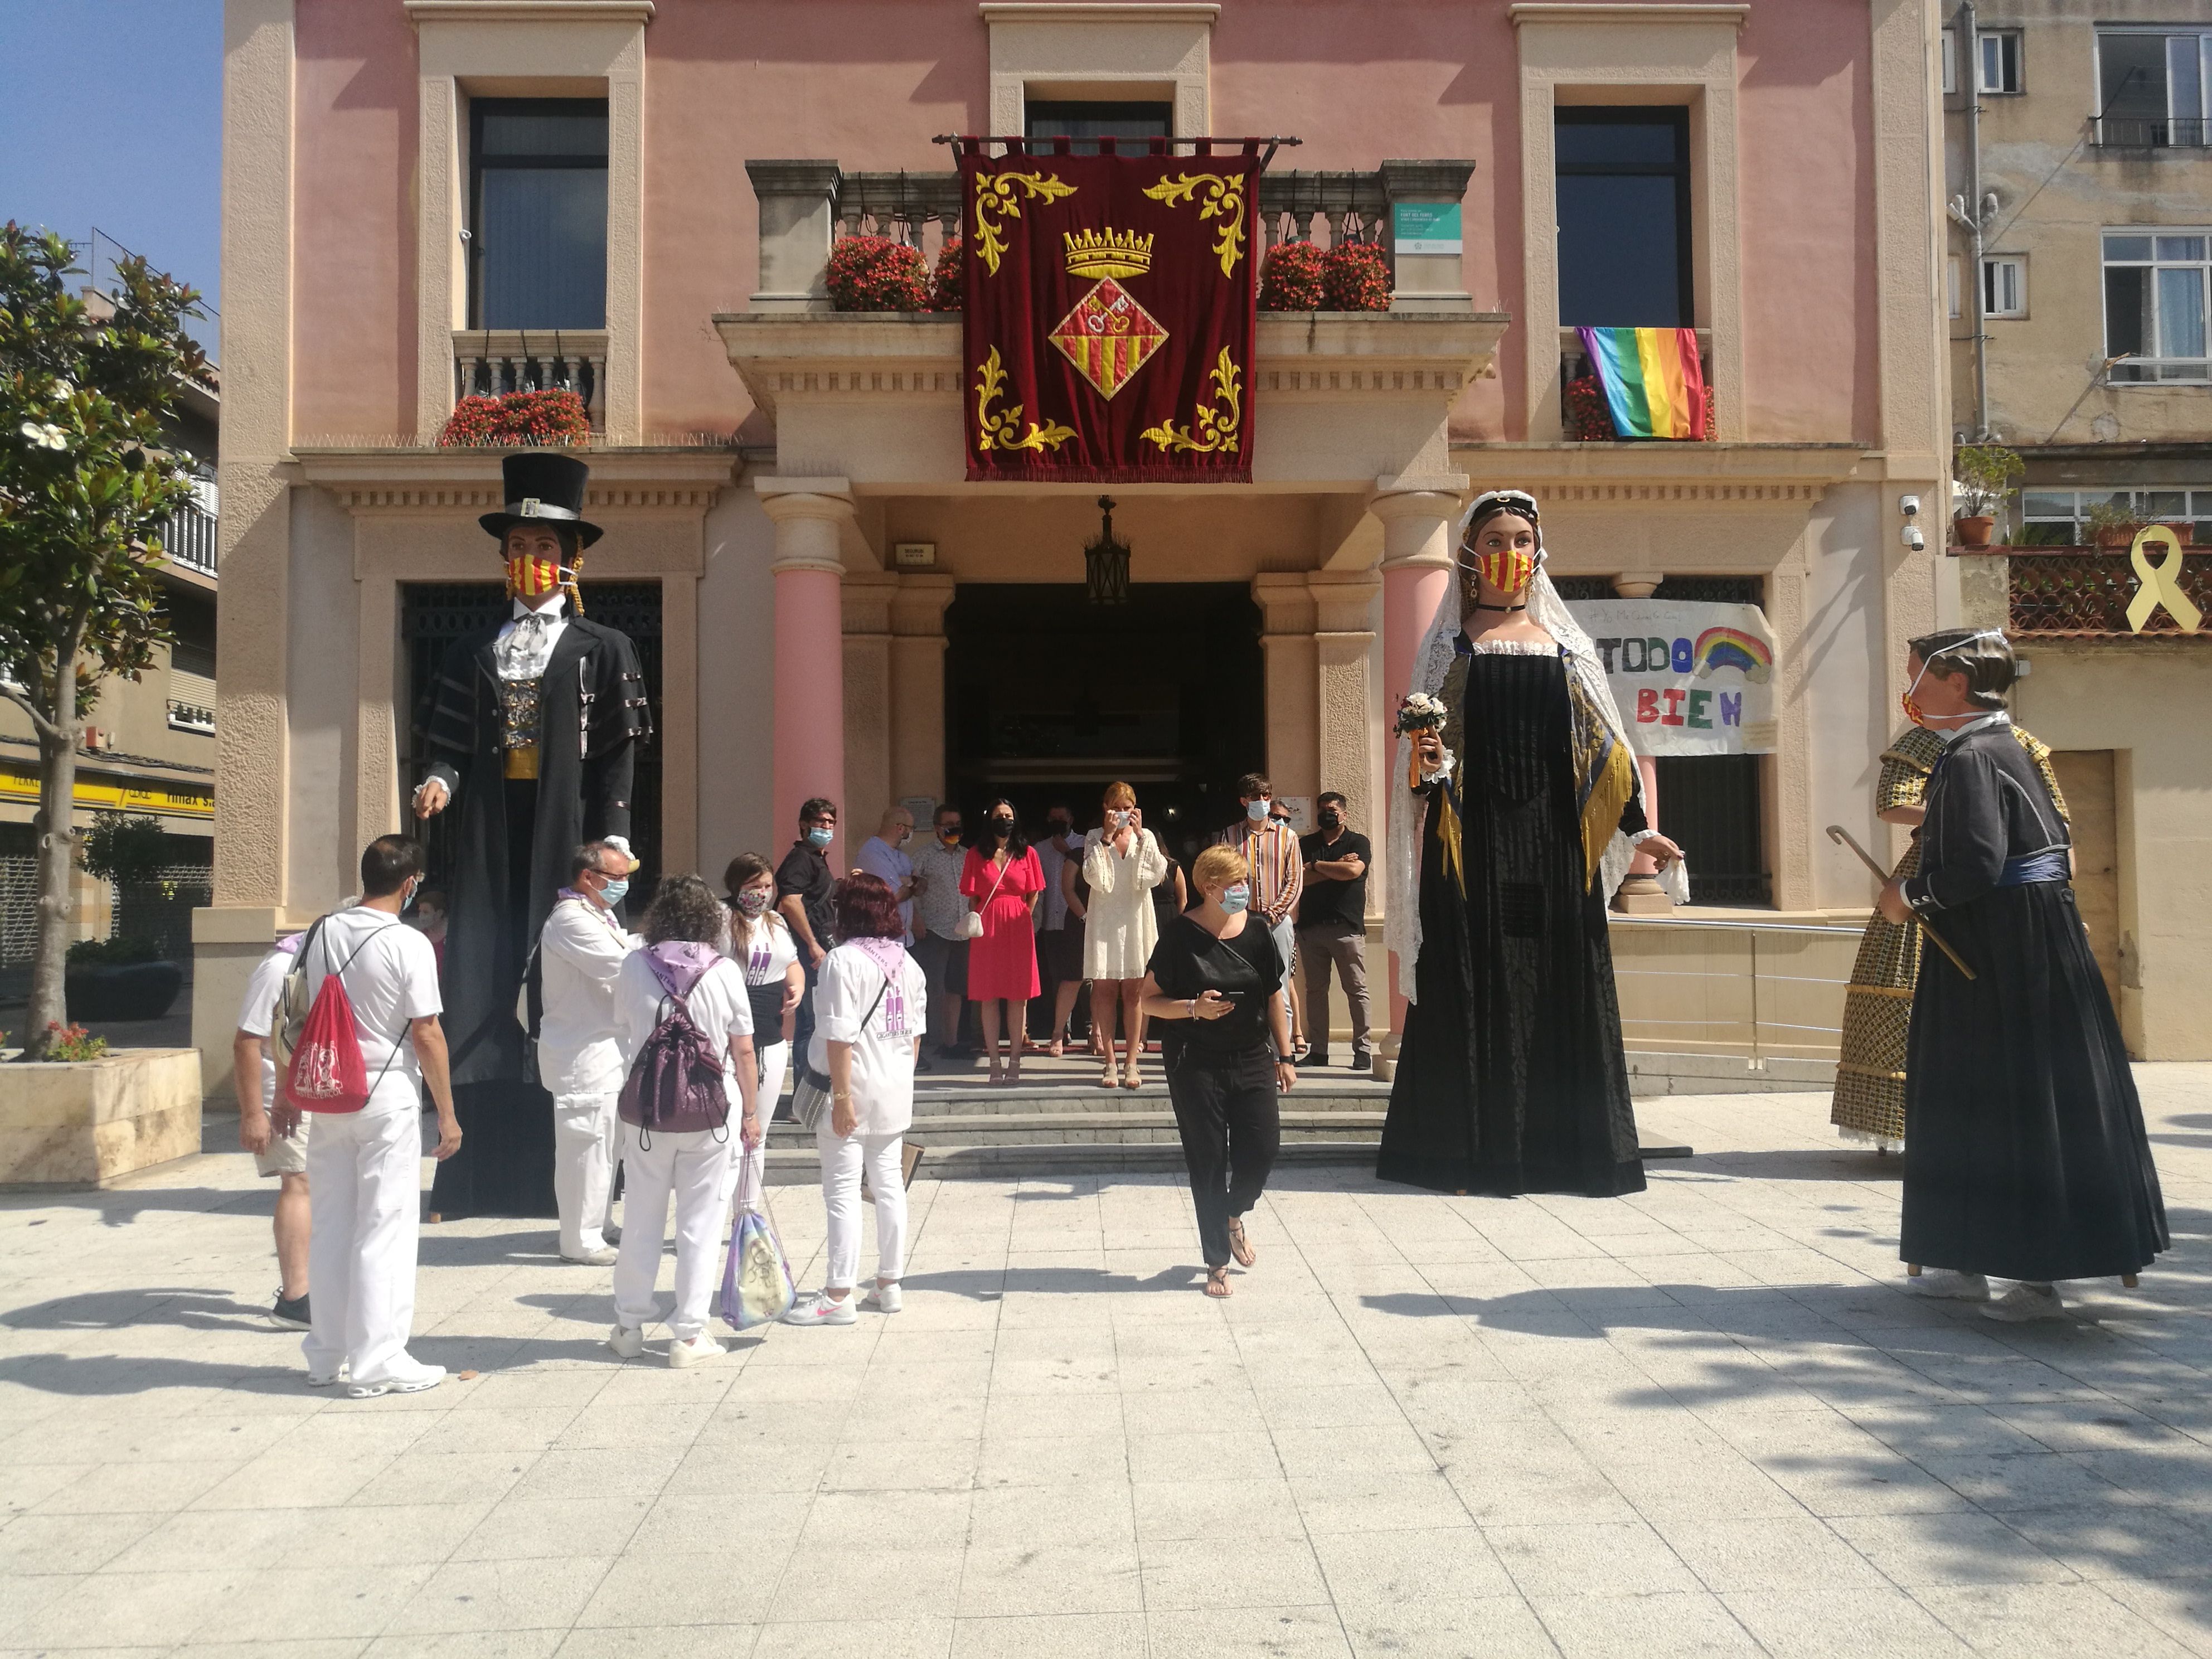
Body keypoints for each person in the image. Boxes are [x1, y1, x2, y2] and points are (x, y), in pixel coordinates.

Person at [1379, 489, 1685, 1199]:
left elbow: (1605, 751)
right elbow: (1426, 764)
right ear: (1468, 555)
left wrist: (1641, 827)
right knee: (1469, 977)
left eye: (1520, 539)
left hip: (1554, 850)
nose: (1508, 552)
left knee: (1556, 983)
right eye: (1494, 540)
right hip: (1470, 846)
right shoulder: (1450, 651)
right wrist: (1427, 769)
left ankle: (1565, 1153)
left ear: (1537, 551)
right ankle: (1462, 1154)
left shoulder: (1568, 649)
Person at [1876, 629, 2167, 1321]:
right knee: (1972, 1098)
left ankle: (2035, 1279)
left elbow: (1977, 864)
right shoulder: (2003, 747)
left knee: (2014, 1100)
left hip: (2003, 953)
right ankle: (1962, 1259)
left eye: (1917, 676)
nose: (1910, 689)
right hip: (2016, 941)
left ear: (1954, 682)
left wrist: (1904, 898)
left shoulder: (1974, 755)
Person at [411, 452, 652, 1223]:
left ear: (571, 560)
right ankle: (473, 1171)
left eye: (546, 549)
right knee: (480, 971)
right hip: (487, 831)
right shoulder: (470, 650)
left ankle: (577, 1178)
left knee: (565, 979)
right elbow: (445, 739)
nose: (532, 561)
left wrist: (609, 842)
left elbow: (619, 754)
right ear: (504, 558)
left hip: (564, 832)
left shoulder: (604, 648)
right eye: (520, 547)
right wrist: (442, 779)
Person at [1829, 719, 2070, 1151]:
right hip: (1934, 866)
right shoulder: (1923, 740)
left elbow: (2058, 815)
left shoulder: (2020, 742)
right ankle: (1913, 1127)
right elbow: (1891, 804)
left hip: (2012, 879)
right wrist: (1969, 816)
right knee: (1911, 996)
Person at [298, 836, 463, 1396]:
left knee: (333, 1227)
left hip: (326, 1090)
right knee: (384, 1229)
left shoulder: (321, 930)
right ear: (410, 884)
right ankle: (379, 1360)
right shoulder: (407, 943)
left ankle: (325, 1354)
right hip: (385, 1096)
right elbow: (426, 1031)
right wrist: (447, 1112)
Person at [607, 875, 760, 1365]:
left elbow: (625, 1026)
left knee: (641, 1219)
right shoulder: (724, 971)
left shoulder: (633, 964)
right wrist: (752, 1115)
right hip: (711, 1113)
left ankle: (629, 1326)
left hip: (648, 1112)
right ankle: (689, 1335)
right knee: (700, 1224)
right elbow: (743, 1049)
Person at [1138, 844, 1297, 1298]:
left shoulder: (1259, 931)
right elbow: (1146, 999)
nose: (1244, 891)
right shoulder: (1179, 936)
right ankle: (1216, 1262)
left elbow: (1273, 997)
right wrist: (1193, 1008)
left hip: (1252, 1056)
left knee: (1263, 1151)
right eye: (1235, 884)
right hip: (1195, 1062)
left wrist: (1285, 1056)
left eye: (1245, 882)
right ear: (1209, 888)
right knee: (1208, 1161)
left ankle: (1233, 1217)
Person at [783, 873, 930, 1327]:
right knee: (888, 1186)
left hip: (850, 1088)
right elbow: (915, 1038)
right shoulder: (908, 964)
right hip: (893, 1087)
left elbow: (838, 1036)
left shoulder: (842, 962)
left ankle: (838, 1294)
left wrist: (843, 1098)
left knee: (843, 1192)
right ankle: (889, 1284)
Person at [536, 841, 638, 1265]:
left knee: (609, 1145)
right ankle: (579, 1239)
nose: (623, 885)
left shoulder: (599, 914)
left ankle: (599, 1221)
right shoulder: (570, 920)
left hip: (608, 1049)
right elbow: (621, 966)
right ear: (588, 878)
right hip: (583, 1052)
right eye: (616, 878)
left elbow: (626, 950)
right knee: (587, 1146)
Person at [232, 929, 311, 1328]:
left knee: (313, 1182)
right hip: (280, 1088)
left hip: (308, 1084)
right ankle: (296, 1298)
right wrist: (253, 1115)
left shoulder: (324, 961)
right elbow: (248, 1040)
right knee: (299, 1181)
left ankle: (311, 1286)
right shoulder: (280, 967)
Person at [721, 851, 803, 1210]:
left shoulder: (777, 922)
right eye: (755, 886)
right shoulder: (719, 917)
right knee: (727, 1133)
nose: (764, 893)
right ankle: (713, 1211)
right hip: (726, 1036)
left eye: (768, 885)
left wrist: (796, 986)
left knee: (758, 1132)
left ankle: (748, 1211)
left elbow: (793, 962)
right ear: (736, 886)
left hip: (769, 1036)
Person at [1082, 782, 1168, 1090]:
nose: (1121, 813)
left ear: (1135, 809)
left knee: (1134, 992)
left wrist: (1143, 836)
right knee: (1104, 990)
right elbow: (1093, 877)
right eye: (1116, 806)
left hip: (1135, 919)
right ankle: (1109, 1061)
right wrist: (1106, 838)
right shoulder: (1093, 837)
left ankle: (1132, 1060)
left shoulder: (1147, 838)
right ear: (1105, 807)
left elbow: (1155, 876)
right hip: (1105, 919)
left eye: (1127, 807)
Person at [961, 801, 1044, 1085]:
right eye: (999, 816)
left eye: (1009, 816)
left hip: (1018, 925)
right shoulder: (975, 854)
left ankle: (1016, 1061)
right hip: (988, 926)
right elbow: (972, 895)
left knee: (1017, 996)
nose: (1005, 820)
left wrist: (1024, 916)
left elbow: (1034, 892)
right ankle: (994, 1062)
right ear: (989, 821)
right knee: (989, 995)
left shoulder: (1028, 853)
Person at [1297, 791, 1374, 1071]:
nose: (1325, 815)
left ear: (1344, 814)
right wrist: (1335, 867)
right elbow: (1299, 879)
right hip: (1311, 929)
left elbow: (1353, 872)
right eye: (1321, 810)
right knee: (1316, 992)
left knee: (1356, 990)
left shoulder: (1358, 842)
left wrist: (1317, 866)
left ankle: (1362, 1051)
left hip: (1346, 929)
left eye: (1331, 810)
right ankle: (1318, 1051)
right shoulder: (1306, 843)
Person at [1212, 775, 1303, 1009]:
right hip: (1240, 921)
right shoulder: (1229, 836)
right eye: (1255, 797)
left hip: (1278, 922)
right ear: (1244, 801)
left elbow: (1294, 882)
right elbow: (1222, 878)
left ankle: (1281, 1045)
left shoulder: (1288, 837)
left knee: (1280, 989)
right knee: (1241, 983)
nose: (1262, 801)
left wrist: (1271, 915)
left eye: (1266, 796)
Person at [775, 797, 839, 1112]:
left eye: (830, 822)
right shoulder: (800, 858)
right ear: (803, 825)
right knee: (810, 1025)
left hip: (818, 950)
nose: (826, 827)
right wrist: (813, 944)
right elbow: (790, 901)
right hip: (809, 954)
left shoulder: (816, 858)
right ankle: (804, 1102)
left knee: (816, 1023)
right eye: (820, 822)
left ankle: (809, 1100)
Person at [909, 803, 971, 1066]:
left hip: (962, 931)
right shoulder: (923, 856)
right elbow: (909, 890)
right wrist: (916, 918)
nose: (953, 828)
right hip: (933, 929)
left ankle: (951, 1042)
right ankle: (927, 1042)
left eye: (957, 823)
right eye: (948, 824)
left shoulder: (968, 856)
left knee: (956, 989)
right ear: (937, 828)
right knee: (931, 988)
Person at [1033, 804, 1086, 1056]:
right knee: (1058, 977)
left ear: (1071, 819)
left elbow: (1091, 876)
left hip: (1079, 920)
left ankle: (1088, 1028)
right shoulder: (1039, 849)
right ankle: (1060, 1031)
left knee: (1086, 978)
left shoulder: (1085, 844)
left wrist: (1069, 854)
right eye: (1052, 819)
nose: (1057, 822)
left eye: (1061, 819)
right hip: (1051, 922)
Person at [855, 806, 918, 943]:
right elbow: (895, 895)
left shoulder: (901, 855)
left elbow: (920, 886)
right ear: (901, 828)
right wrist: (912, 883)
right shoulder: (873, 852)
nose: (911, 833)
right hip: (881, 940)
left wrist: (910, 882)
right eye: (911, 828)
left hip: (904, 938)